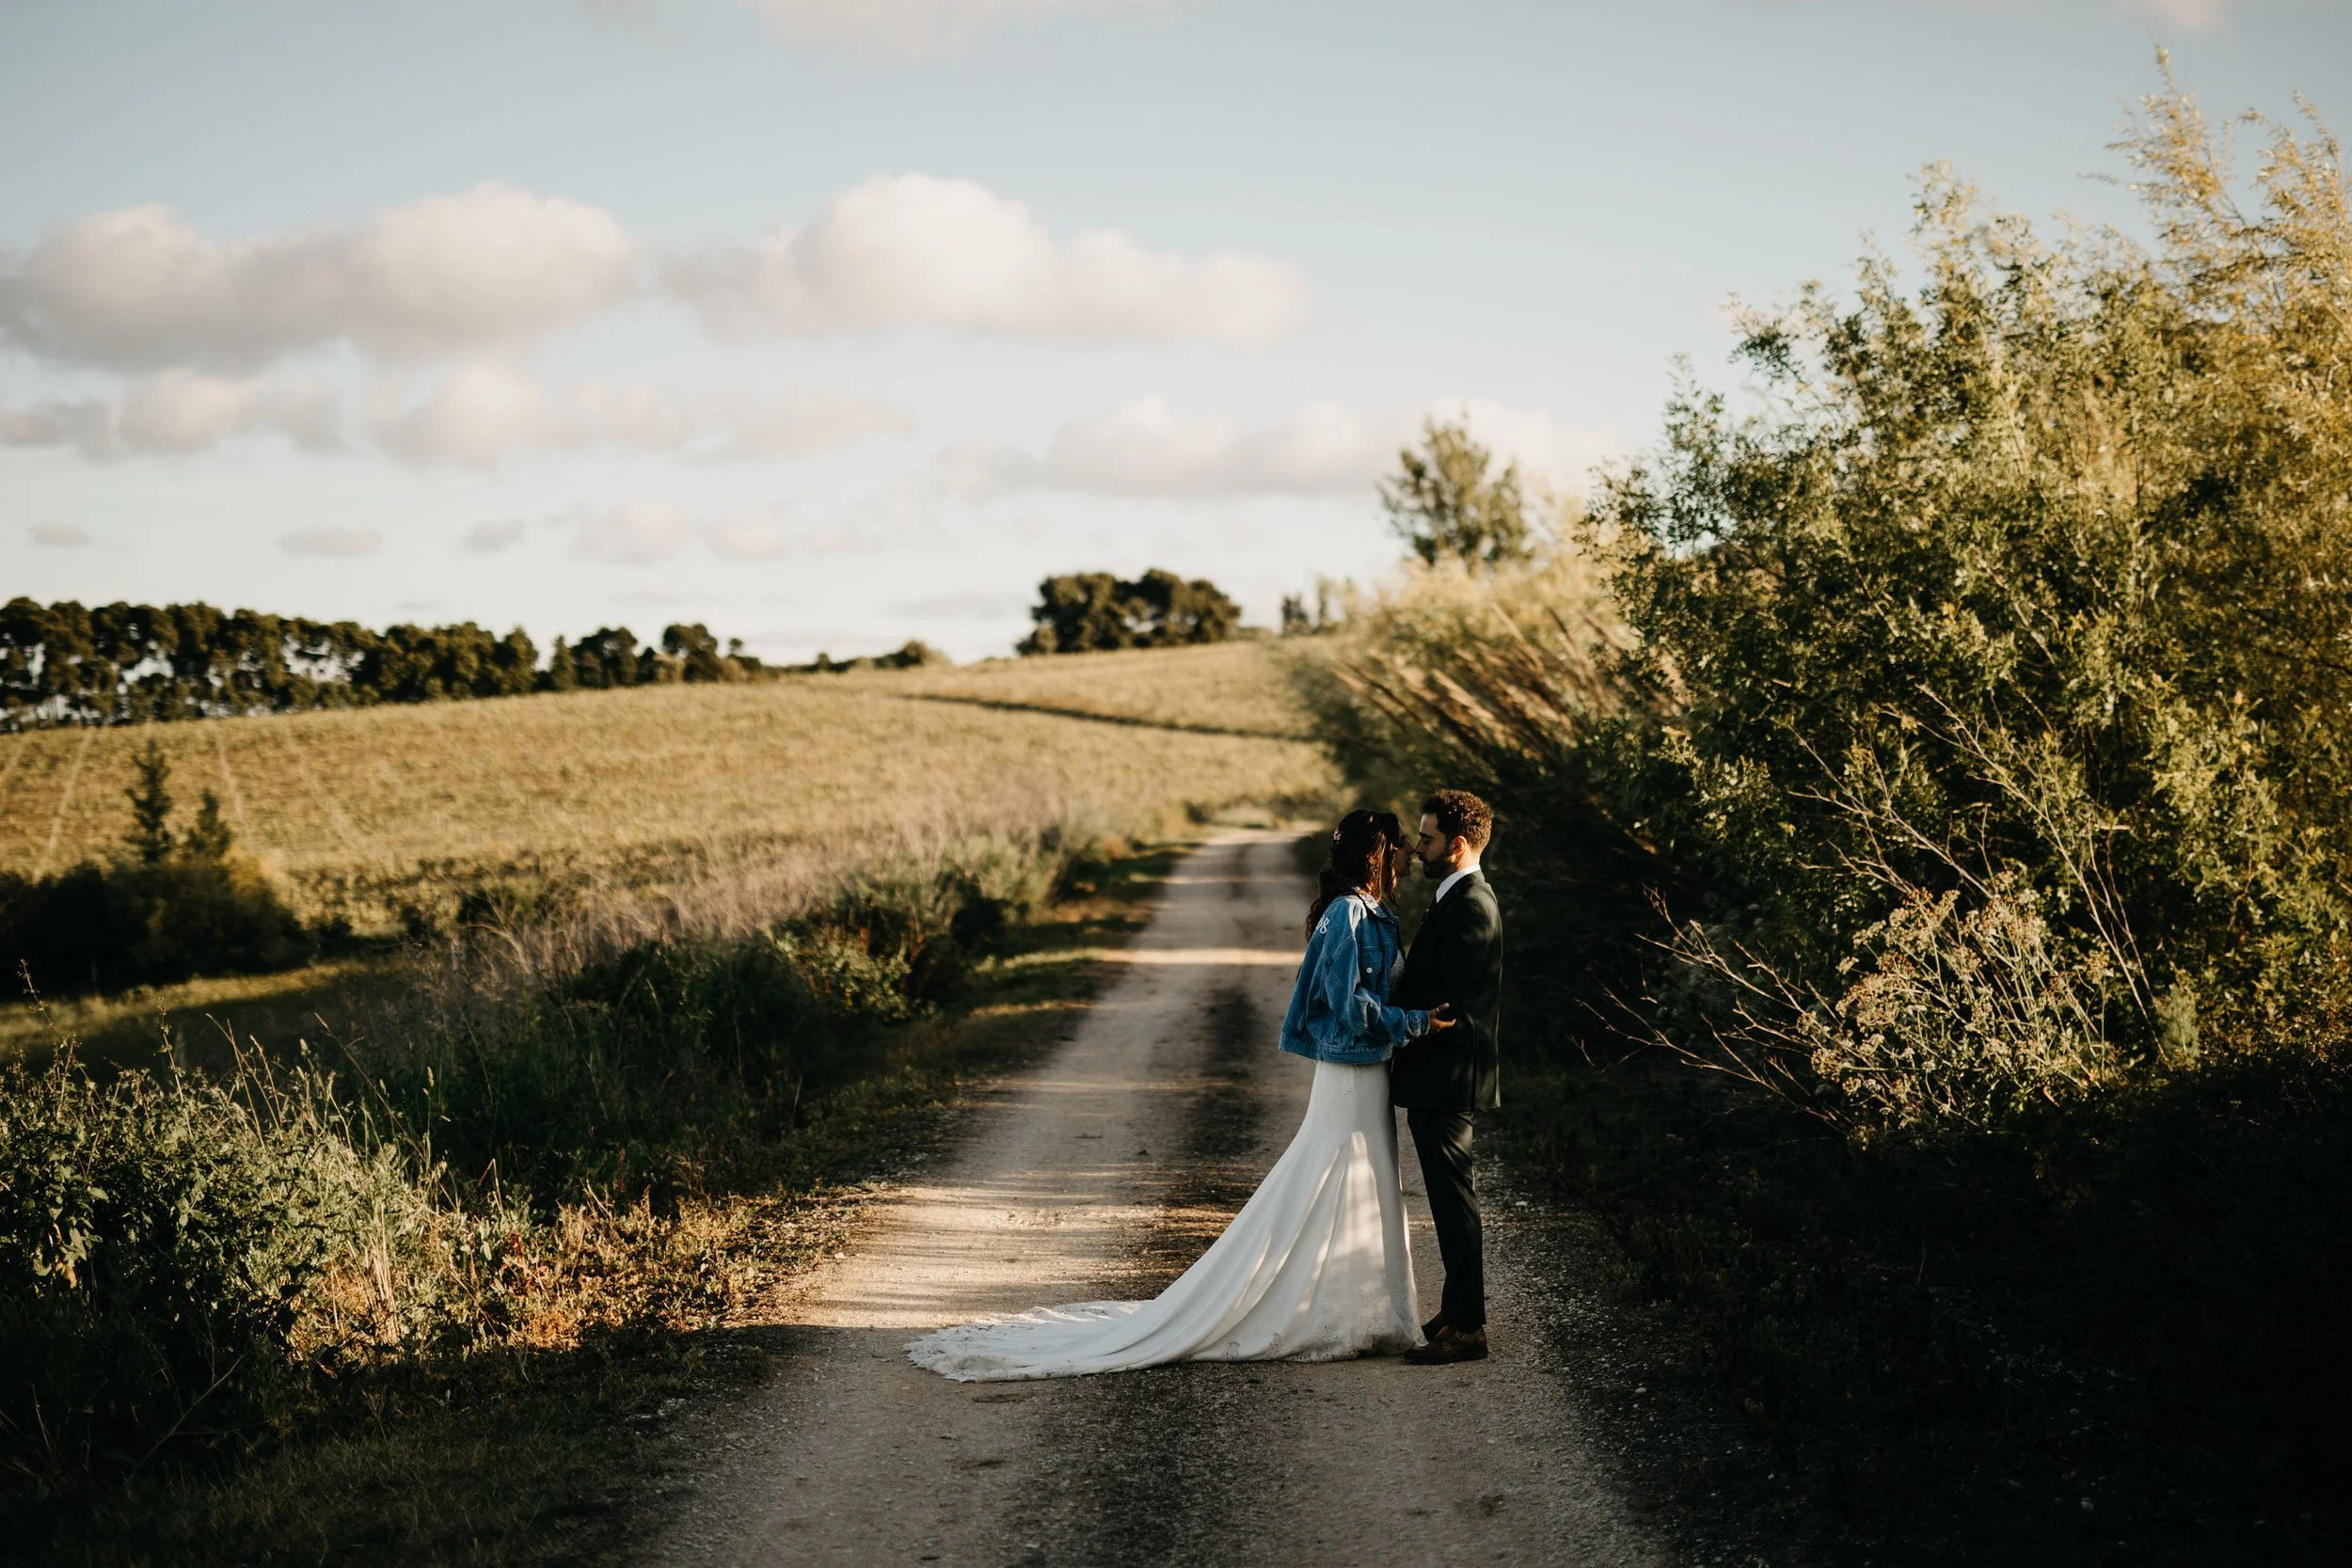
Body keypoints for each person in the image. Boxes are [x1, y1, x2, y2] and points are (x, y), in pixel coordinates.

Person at [906, 808, 1454, 1381]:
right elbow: (1347, 1006)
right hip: (1350, 1073)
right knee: (1332, 1177)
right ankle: (1328, 1315)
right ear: (1376, 853)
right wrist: (1414, 1023)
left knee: (1359, 1181)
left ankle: (1361, 1311)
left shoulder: (1375, 913)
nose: (1409, 854)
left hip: (1369, 1070)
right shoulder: (1347, 915)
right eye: (1399, 845)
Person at [1390, 789, 1503, 1366]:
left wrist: (1391, 1014)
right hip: (1437, 1073)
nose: (1419, 846)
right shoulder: (1453, 896)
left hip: (1449, 1074)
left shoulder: (1471, 905)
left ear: (1457, 846)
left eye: (1428, 838)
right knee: (1444, 1200)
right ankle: (1457, 1309)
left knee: (1456, 1203)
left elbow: (1452, 1001)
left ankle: (1469, 1326)